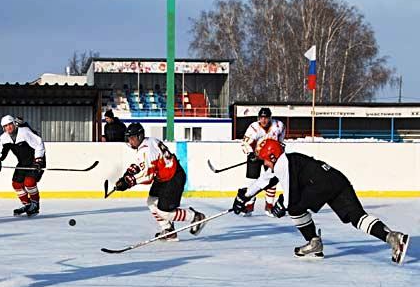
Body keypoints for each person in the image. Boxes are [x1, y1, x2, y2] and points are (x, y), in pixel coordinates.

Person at [232, 139, 410, 264]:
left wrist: (281, 206)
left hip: (319, 185)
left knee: (294, 207)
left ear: (271, 157)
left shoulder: (282, 164)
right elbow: (264, 180)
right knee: (357, 217)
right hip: (336, 179)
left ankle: (314, 243)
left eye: (264, 158)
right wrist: (245, 195)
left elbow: (289, 197)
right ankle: (392, 237)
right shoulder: (284, 160)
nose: (263, 162)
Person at [113, 122, 206, 241]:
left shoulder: (145, 151)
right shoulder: (150, 141)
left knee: (164, 212)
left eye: (132, 138)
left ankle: (196, 217)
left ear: (139, 136)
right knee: (151, 201)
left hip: (173, 177)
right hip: (165, 176)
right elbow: (143, 164)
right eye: (128, 139)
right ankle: (168, 230)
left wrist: (129, 182)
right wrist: (130, 173)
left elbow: (148, 177)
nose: (130, 142)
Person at [0, 115, 46, 216]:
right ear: (3, 128)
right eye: (5, 126)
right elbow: (0, 151)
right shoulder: (4, 137)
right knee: (16, 184)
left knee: (29, 183)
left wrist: (38, 160)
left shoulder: (24, 132)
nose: (8, 127)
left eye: (10, 124)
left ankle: (35, 204)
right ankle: (27, 204)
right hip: (22, 162)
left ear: (14, 124)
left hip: (35, 161)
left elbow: (39, 144)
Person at [241, 107, 285, 217]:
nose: (263, 120)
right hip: (255, 156)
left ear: (270, 118)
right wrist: (250, 153)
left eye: (266, 118)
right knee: (251, 182)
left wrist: (279, 150)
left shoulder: (279, 126)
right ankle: (249, 206)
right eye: (261, 118)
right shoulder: (253, 128)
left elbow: (281, 140)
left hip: (270, 157)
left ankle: (269, 206)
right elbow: (245, 143)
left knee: (271, 180)